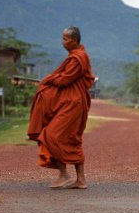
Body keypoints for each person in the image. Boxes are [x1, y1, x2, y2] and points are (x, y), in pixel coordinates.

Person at [27, 26, 95, 189]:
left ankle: (64, 175)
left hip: (73, 103)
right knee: (71, 138)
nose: (62, 42)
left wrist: (49, 79)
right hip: (71, 102)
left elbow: (65, 80)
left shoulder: (78, 58)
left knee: (51, 135)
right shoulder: (77, 56)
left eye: (65, 39)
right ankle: (80, 180)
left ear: (74, 40)